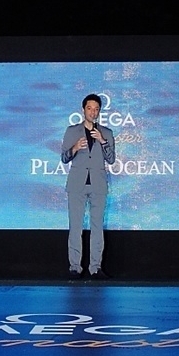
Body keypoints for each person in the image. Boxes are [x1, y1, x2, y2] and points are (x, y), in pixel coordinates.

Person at [61, 94, 115, 279]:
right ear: (83, 109)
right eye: (90, 108)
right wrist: (75, 148)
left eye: (96, 109)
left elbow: (111, 159)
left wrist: (102, 141)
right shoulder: (72, 131)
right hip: (77, 184)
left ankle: (95, 268)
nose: (93, 112)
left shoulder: (106, 132)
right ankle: (75, 267)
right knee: (75, 227)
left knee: (97, 227)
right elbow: (64, 157)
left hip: (98, 185)